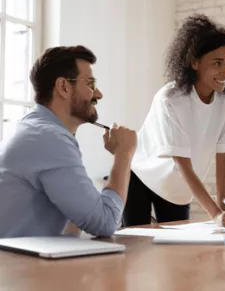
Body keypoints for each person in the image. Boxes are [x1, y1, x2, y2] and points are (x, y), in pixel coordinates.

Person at [124, 14, 225, 227]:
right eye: (217, 63)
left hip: (178, 190)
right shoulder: (170, 99)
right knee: (137, 248)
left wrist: (223, 205)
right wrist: (215, 214)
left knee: (179, 252)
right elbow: (182, 162)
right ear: (194, 62)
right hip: (140, 178)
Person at [0, 46, 138, 238]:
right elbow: (105, 223)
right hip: (18, 265)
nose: (98, 94)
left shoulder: (35, 129)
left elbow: (76, 221)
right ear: (64, 87)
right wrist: (123, 154)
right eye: (90, 84)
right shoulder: (48, 139)